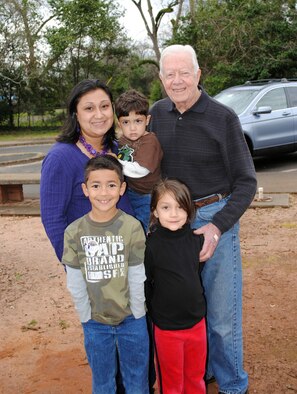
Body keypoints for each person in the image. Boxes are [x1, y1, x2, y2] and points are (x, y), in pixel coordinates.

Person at [148, 44, 257, 394]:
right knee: (185, 302)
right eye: (170, 74)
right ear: (161, 78)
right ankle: (203, 369)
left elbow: (246, 182)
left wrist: (216, 226)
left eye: (184, 72)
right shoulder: (157, 114)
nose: (177, 80)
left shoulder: (223, 117)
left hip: (213, 215)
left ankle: (232, 385)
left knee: (221, 314)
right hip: (171, 218)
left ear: (198, 74)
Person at [62, 155, 149, 393]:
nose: (104, 192)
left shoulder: (132, 227)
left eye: (111, 185)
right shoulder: (74, 231)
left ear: (122, 188)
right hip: (95, 323)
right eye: (96, 185)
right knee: (102, 383)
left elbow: (136, 274)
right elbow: (75, 280)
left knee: (136, 382)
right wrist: (85, 315)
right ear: (85, 189)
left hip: (132, 320)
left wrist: (138, 313)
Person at [40, 79, 133, 262]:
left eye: (104, 106)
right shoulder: (60, 158)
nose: (99, 115)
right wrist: (74, 267)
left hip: (131, 256)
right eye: (89, 108)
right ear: (76, 113)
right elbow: (53, 220)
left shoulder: (118, 150)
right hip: (94, 264)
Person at [144, 178, 207, 394]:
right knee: (172, 384)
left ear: (189, 211)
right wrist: (156, 312)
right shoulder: (150, 246)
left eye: (180, 207)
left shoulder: (197, 241)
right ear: (155, 211)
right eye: (166, 207)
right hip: (167, 329)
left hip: (197, 323)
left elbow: (195, 275)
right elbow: (147, 282)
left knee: (196, 379)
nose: (174, 213)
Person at [115, 89, 163, 233]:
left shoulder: (150, 141)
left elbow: (140, 170)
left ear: (147, 120)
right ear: (119, 123)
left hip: (146, 194)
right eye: (126, 122)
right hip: (129, 191)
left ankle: (142, 249)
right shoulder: (123, 140)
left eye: (138, 121)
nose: (132, 128)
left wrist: (116, 164)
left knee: (142, 227)